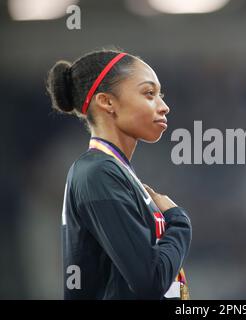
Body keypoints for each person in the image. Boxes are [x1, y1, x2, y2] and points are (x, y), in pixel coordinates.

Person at [46, 49, 192, 299]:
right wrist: (179, 222)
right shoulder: (97, 173)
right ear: (107, 102)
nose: (164, 107)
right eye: (149, 94)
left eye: (161, 95)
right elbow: (150, 280)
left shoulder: (117, 172)